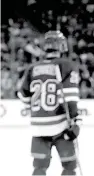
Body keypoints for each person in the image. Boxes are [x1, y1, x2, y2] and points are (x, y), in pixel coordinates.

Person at [17, 31, 81, 176]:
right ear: (62, 45)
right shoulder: (67, 65)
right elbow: (70, 98)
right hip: (60, 125)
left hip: (38, 126)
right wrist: (76, 122)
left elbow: (23, 96)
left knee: (39, 167)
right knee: (70, 166)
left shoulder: (32, 68)